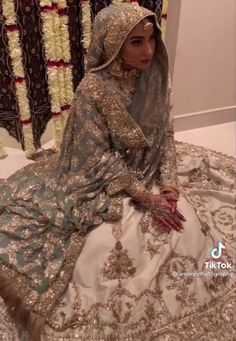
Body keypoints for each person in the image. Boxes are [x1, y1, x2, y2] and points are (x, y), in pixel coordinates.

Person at [0, 3, 235, 341]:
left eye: (152, 39)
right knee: (111, 246)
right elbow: (93, 157)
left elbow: (164, 137)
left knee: (187, 226)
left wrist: (168, 186)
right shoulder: (92, 91)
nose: (149, 50)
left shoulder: (152, 77)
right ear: (113, 43)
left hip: (149, 172)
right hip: (105, 182)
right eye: (136, 42)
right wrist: (143, 195)